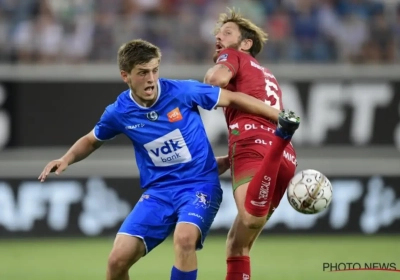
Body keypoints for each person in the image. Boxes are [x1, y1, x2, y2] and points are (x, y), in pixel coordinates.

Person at [37, 39, 293, 280]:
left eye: (154, 70)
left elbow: (234, 98)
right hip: (159, 192)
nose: (150, 79)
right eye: (142, 72)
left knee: (184, 238)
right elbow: (93, 139)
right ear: (125, 76)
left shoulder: (182, 91)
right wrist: (67, 159)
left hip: (199, 186)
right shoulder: (119, 112)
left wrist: (277, 115)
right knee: (117, 261)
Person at [204, 9, 301, 280]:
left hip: (253, 145)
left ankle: (281, 139)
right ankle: (281, 140)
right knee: (238, 245)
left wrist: (214, 69)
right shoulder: (267, 75)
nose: (218, 38)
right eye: (218, 34)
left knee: (249, 218)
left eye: (227, 33)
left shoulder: (234, 56)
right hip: (285, 159)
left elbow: (215, 82)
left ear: (245, 43)